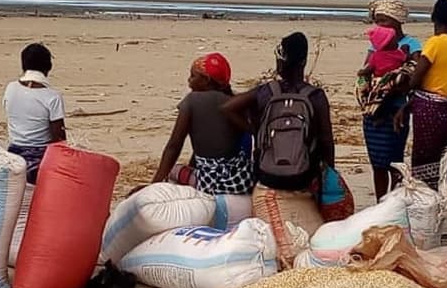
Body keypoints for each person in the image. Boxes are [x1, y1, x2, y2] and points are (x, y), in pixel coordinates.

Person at [223, 32, 335, 267]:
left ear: (279, 61)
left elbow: (228, 108)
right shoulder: (315, 96)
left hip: (267, 177)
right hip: (303, 179)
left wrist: (255, 131)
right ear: (304, 62)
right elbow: (326, 141)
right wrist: (328, 176)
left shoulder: (266, 92)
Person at [136, 52, 254, 196]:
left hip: (210, 183)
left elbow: (174, 146)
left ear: (206, 80)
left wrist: (154, 186)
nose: (189, 80)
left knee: (174, 171)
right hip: (241, 181)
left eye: (193, 76)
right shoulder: (236, 103)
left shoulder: (192, 101)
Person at [399, 0, 447, 190]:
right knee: (441, 159)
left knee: (423, 158)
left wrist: (404, 83)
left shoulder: (435, 43)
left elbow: (417, 76)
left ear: (433, 17)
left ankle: (424, 198)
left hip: (428, 109)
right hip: (446, 107)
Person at [362, 0, 423, 201]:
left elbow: (415, 78)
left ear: (397, 21)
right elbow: (366, 72)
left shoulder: (411, 45)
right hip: (374, 111)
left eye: (384, 20)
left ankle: (394, 202)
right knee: (377, 163)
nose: (380, 25)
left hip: (397, 111)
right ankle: (380, 202)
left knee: (395, 162)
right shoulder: (376, 45)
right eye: (377, 21)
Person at [4, 43, 66, 184]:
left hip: (13, 152)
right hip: (40, 157)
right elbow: (59, 139)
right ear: (48, 67)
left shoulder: (10, 88)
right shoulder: (53, 96)